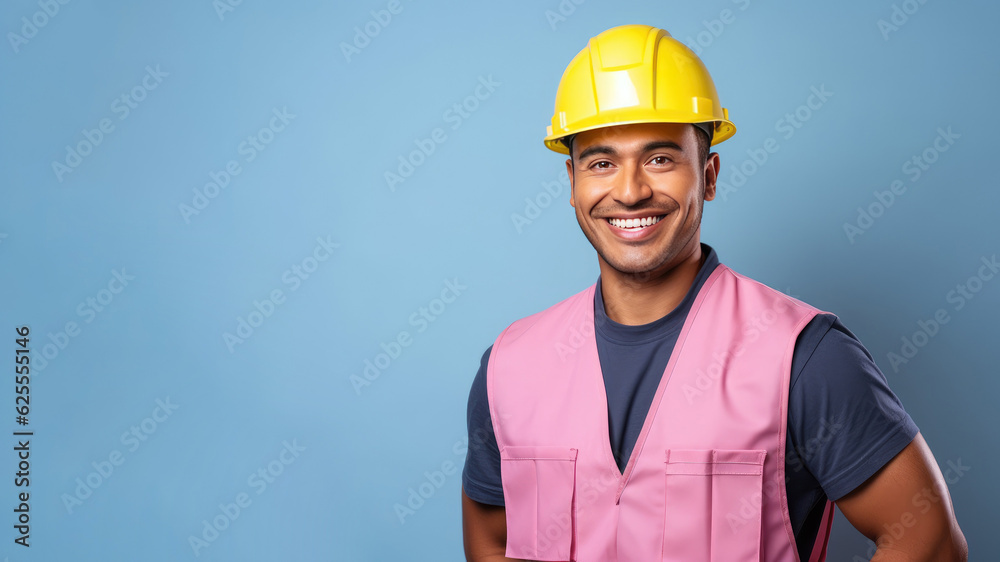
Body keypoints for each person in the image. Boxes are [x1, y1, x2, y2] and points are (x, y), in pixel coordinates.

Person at [460, 24, 967, 562]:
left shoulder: (804, 357)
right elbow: (492, 544)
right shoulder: (510, 367)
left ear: (709, 175)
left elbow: (927, 541)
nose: (630, 192)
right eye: (601, 162)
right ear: (572, 181)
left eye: (660, 159)